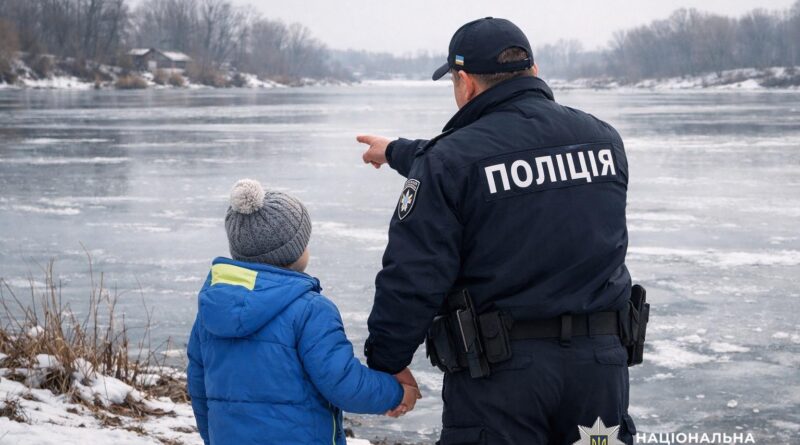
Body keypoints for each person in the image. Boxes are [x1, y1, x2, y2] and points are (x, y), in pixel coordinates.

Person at [357, 17, 636, 445]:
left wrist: (387, 360)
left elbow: (413, 276)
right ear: (533, 71)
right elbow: (501, 163)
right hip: (600, 374)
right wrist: (397, 151)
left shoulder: (449, 162)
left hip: (501, 381)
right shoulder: (603, 140)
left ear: (465, 82)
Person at [186, 179, 420, 445]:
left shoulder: (211, 311)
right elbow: (343, 382)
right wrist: (396, 394)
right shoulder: (311, 310)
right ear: (293, 252)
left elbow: (199, 390)